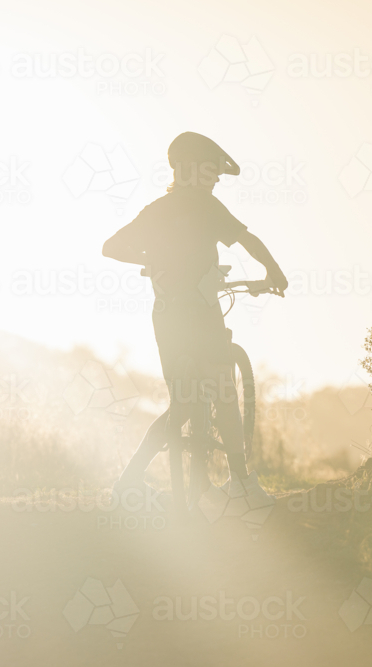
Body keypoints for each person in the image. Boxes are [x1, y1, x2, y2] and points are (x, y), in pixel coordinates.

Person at [102, 131, 288, 507]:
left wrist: (154, 260)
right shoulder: (204, 205)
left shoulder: (156, 209)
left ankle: (129, 482)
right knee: (223, 391)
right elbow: (247, 240)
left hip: (166, 318)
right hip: (202, 315)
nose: (217, 179)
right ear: (195, 169)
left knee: (182, 404)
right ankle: (241, 483)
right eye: (213, 171)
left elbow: (111, 247)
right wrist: (275, 273)